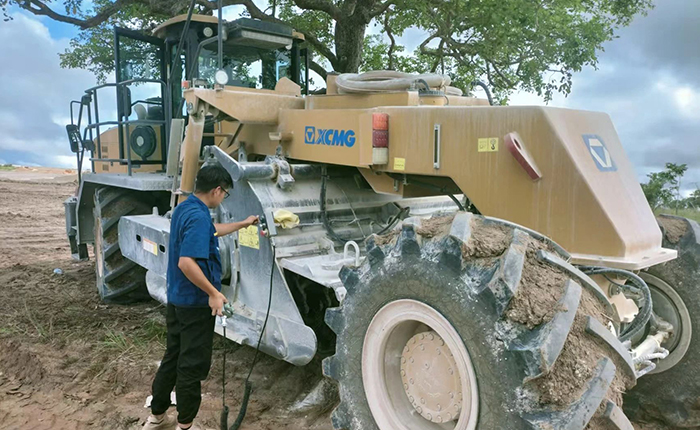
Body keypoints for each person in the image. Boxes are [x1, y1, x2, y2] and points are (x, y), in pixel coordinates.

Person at [144, 165, 258, 430]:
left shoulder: (186, 208)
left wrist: (242, 224)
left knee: (173, 356)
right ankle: (185, 425)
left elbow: (210, 230)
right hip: (194, 304)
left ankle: (156, 417)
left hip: (178, 299)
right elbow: (186, 262)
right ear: (217, 190)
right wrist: (214, 293)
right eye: (225, 193)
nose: (224, 198)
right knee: (191, 365)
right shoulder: (197, 216)